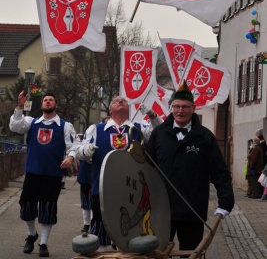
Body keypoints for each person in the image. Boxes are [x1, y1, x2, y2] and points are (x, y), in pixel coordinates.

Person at [146, 80, 235, 252]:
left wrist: (225, 202)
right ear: (171, 107)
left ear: (193, 108)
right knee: (158, 254)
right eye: (177, 106)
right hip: (162, 210)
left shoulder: (205, 137)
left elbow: (219, 172)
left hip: (193, 210)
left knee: (192, 254)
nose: (181, 111)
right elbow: (148, 169)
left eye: (185, 106)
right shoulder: (158, 134)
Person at [76, 96, 160, 250]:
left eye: (124, 101)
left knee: (129, 227)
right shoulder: (96, 129)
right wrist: (85, 150)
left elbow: (159, 133)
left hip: (131, 188)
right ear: (110, 109)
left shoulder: (138, 128)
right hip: (103, 187)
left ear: (128, 109)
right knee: (101, 226)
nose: (121, 101)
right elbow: (79, 151)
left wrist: (152, 115)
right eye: (116, 101)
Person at [9, 91, 77, 257]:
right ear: (41, 105)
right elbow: (14, 126)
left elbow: (74, 145)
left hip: (53, 173)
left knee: (48, 208)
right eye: (45, 100)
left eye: (51, 100)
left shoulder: (64, 125)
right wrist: (19, 106)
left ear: (56, 105)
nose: (47, 102)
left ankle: (44, 243)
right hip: (33, 171)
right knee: (26, 205)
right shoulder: (31, 122)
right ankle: (32, 234)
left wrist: (70, 157)